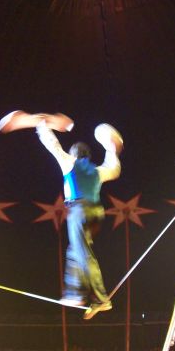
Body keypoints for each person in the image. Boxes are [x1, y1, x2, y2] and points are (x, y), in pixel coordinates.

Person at [35, 119, 122, 320]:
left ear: (74, 154)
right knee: (76, 250)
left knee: (83, 254)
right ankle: (75, 294)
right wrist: (111, 150)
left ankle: (101, 298)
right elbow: (114, 169)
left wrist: (43, 125)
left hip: (79, 210)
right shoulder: (98, 171)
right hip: (96, 213)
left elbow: (53, 145)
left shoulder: (69, 162)